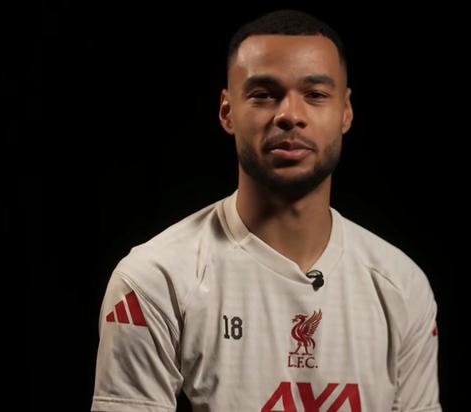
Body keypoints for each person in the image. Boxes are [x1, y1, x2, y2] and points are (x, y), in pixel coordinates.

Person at [92, 9, 442, 412]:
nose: (290, 115)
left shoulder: (402, 285)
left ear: (345, 111)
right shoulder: (155, 279)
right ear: (227, 111)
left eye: (315, 94)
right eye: (263, 94)